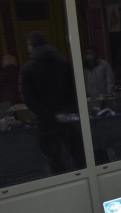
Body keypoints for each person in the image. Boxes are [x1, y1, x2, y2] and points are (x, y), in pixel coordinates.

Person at [19, 31, 85, 173]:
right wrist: (68, 110)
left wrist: (49, 115)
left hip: (45, 121)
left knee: (54, 158)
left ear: (31, 46)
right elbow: (76, 88)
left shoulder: (28, 68)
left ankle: (62, 186)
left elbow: (29, 98)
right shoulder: (65, 63)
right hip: (67, 116)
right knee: (80, 154)